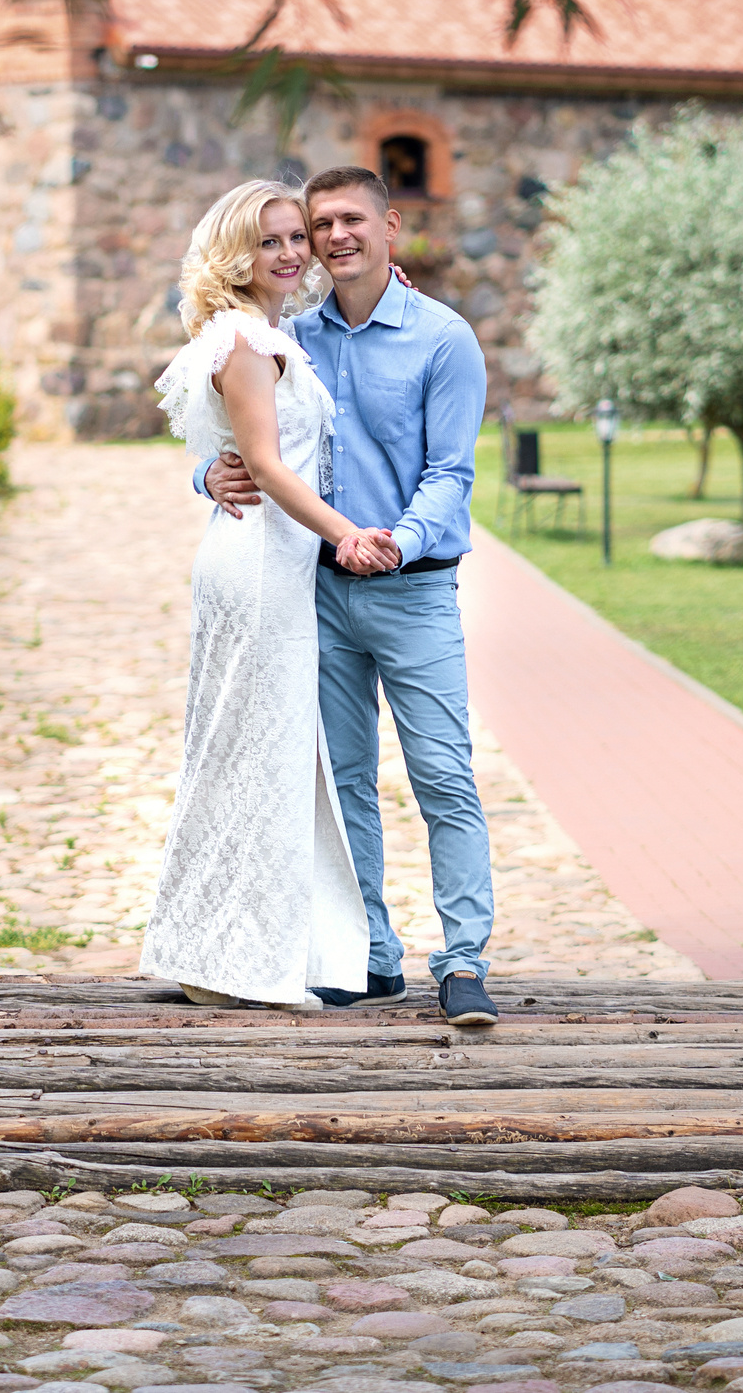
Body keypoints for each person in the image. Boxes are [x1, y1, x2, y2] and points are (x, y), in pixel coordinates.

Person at [200, 165, 499, 1027]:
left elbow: (451, 472)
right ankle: (371, 952)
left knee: (443, 775)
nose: (334, 237)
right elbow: (251, 441)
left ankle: (464, 959)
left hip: (414, 591)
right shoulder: (290, 337)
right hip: (319, 594)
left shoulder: (445, 339)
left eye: (350, 220)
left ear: (389, 225)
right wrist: (207, 474)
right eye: (319, 223)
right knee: (343, 784)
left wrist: (397, 539)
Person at [141, 180, 396, 1009]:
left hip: (267, 560)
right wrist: (347, 534)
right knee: (247, 756)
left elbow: (239, 456)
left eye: (294, 237)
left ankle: (240, 949)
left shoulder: (253, 332)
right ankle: (228, 960)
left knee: (258, 754)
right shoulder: (248, 340)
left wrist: (209, 475)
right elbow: (266, 463)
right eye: (268, 240)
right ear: (235, 252)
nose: (289, 252)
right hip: (257, 566)